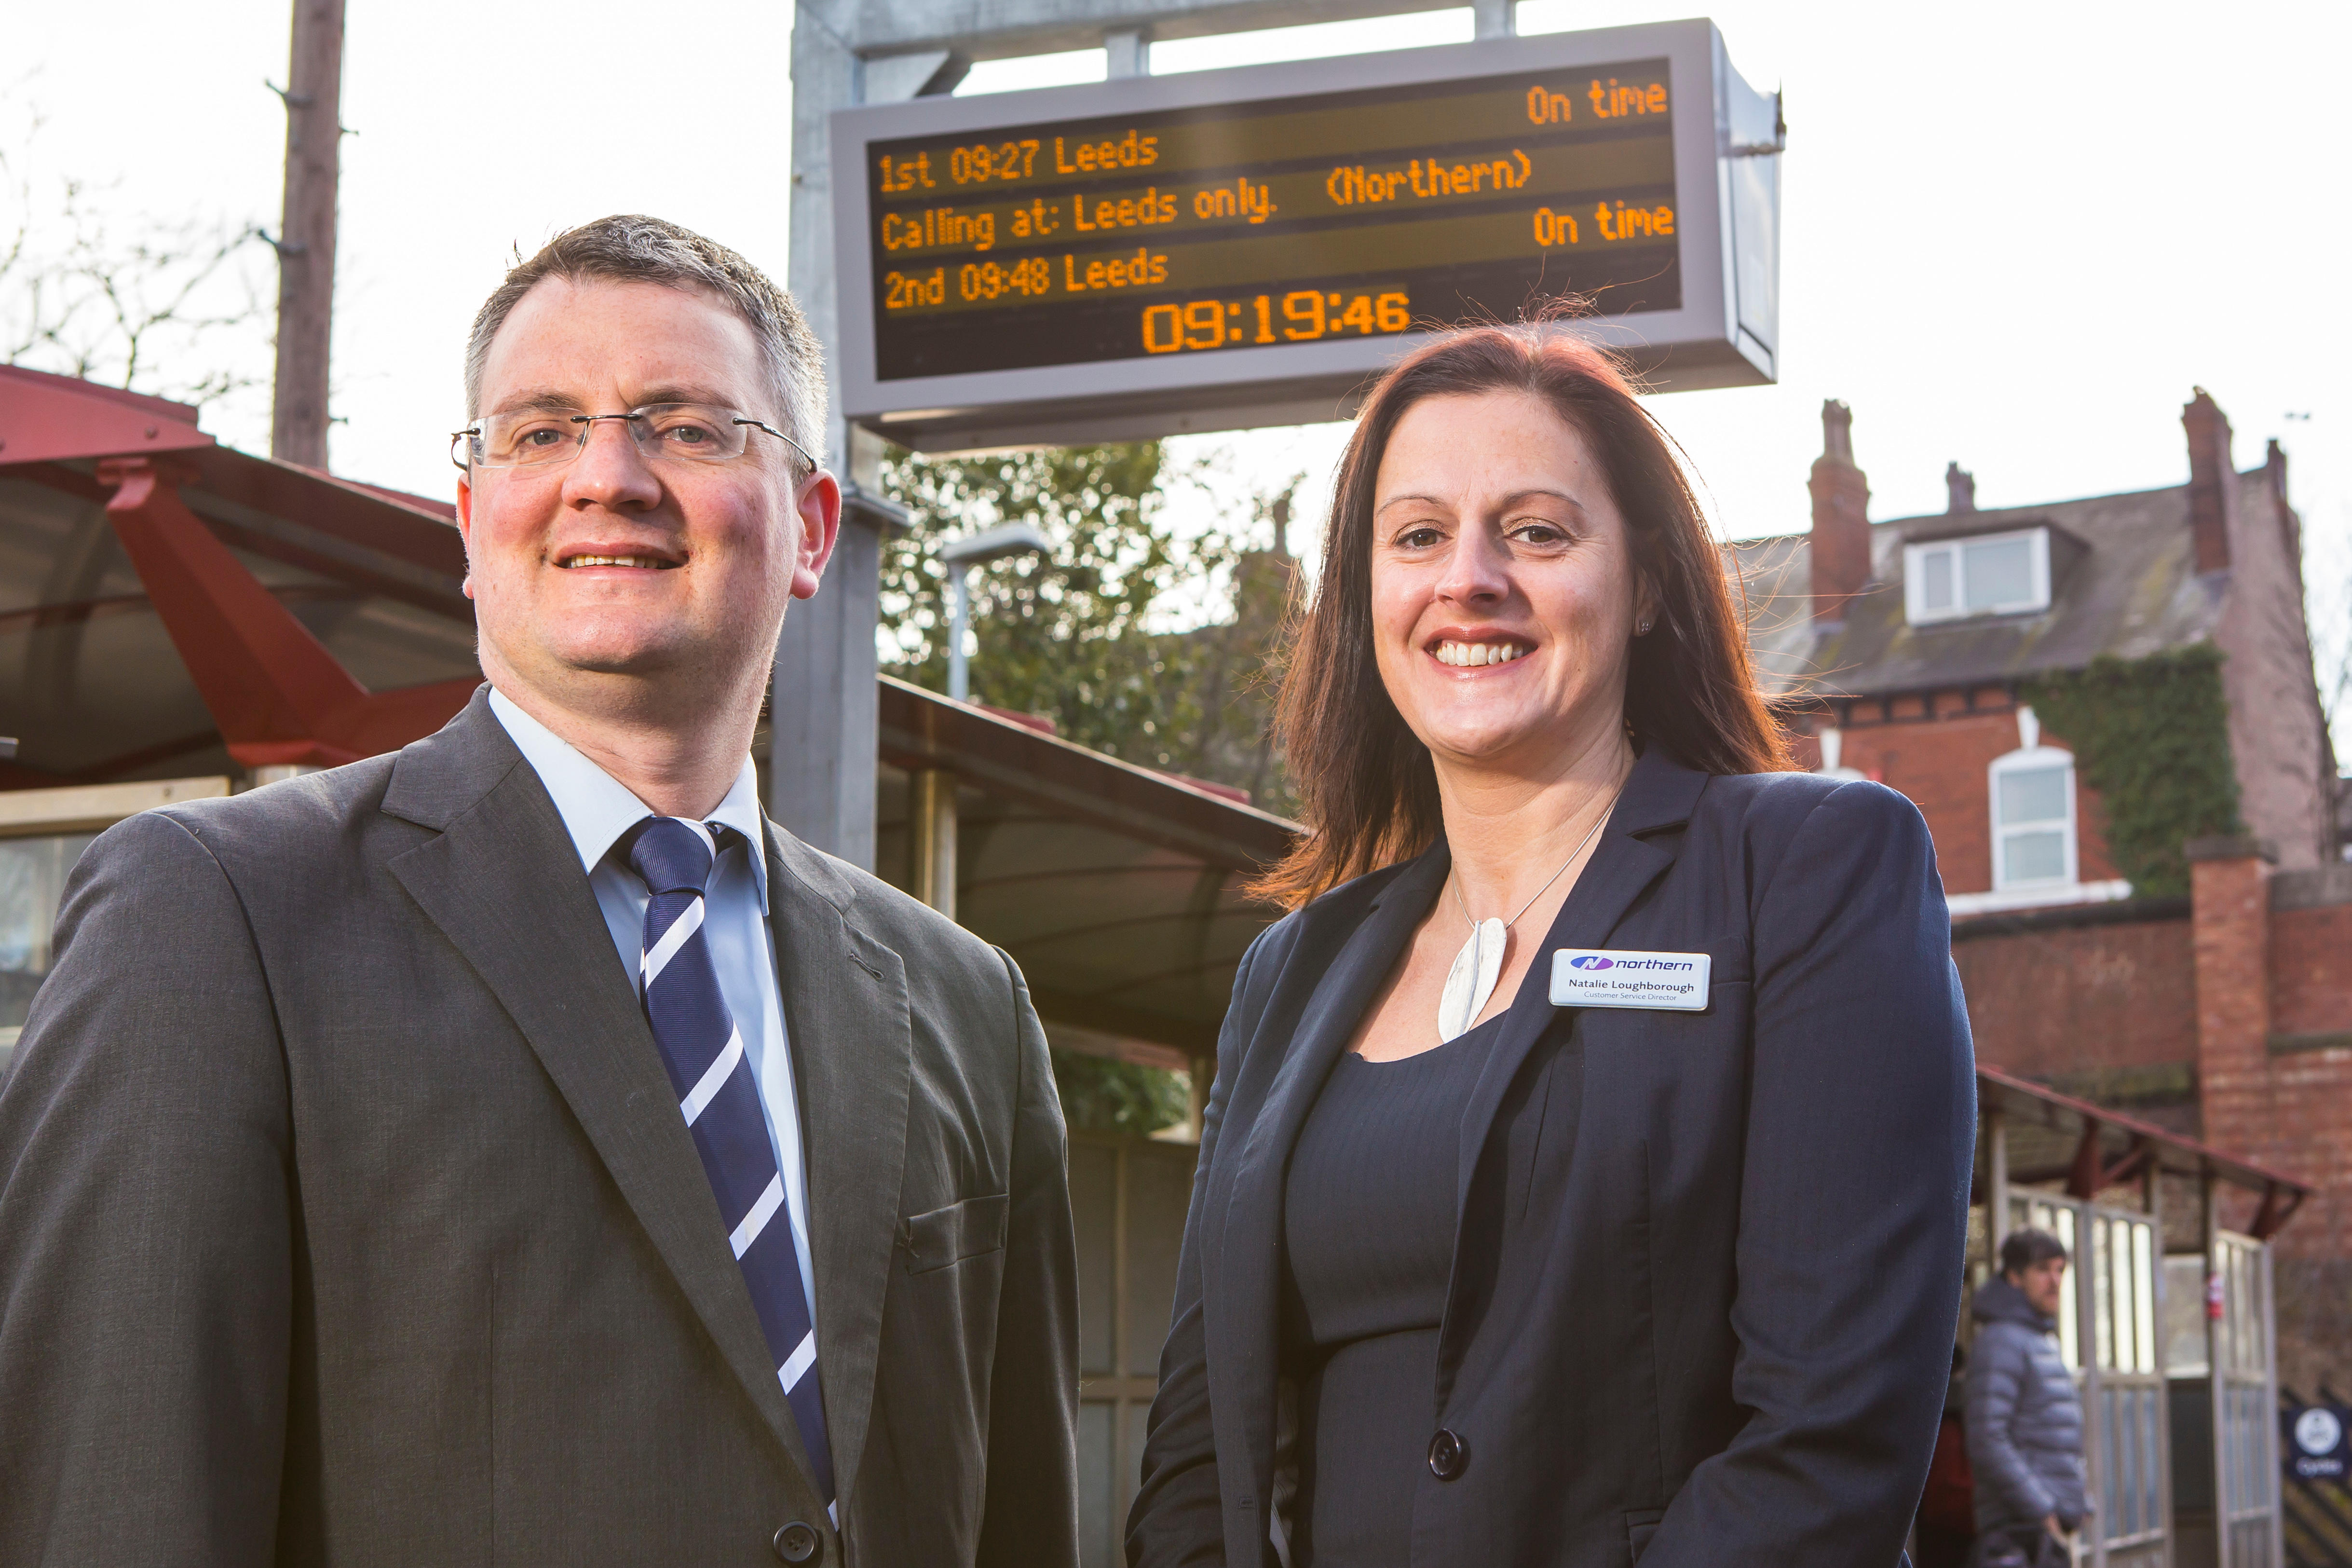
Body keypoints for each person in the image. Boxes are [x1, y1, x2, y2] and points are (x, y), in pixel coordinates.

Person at [0, 215, 1079, 1567]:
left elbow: (1020, 1517)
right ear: (472, 519)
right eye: (540, 429)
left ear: (808, 527)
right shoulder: (220, 918)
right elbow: (117, 1512)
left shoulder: (967, 1005)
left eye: (686, 425)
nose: (607, 476)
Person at [1125, 320, 1976, 1568]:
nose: (1467, 577)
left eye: (1533, 531)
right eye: (1416, 535)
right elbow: (1195, 1454)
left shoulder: (1806, 871)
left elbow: (1824, 1440)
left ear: (1641, 587)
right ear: (1367, 597)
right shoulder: (1288, 974)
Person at [1966, 1229, 2087, 1568]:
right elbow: (1987, 1438)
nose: (2055, 1280)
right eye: (2043, 1269)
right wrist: (2043, 1509)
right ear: (2014, 1276)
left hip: (2044, 1531)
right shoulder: (2001, 1341)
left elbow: (2054, 1434)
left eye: (2060, 1269)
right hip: (2020, 1534)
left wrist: (2079, 1503)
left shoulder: (2036, 1338)